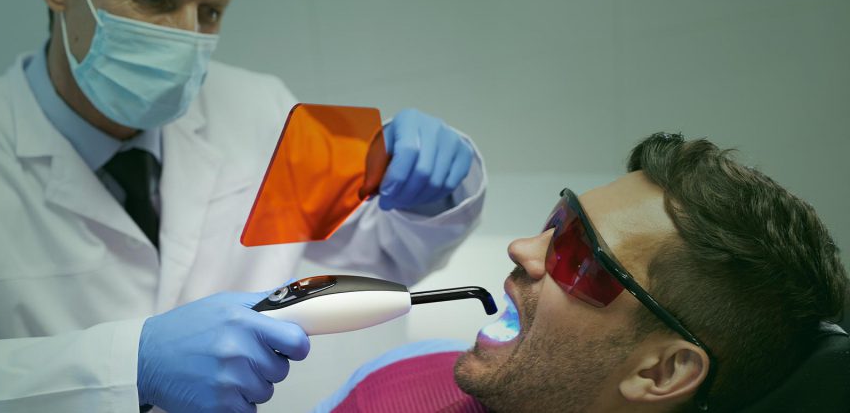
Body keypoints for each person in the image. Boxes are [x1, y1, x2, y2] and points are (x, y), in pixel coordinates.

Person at [0, 0, 486, 412]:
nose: (185, 37)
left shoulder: (261, 106)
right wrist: (126, 366)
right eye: (154, 0)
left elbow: (378, 259)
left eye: (210, 12)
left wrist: (432, 196)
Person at [314, 133, 848, 413]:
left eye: (578, 256)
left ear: (661, 373)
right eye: (560, 219)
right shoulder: (404, 376)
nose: (523, 248)